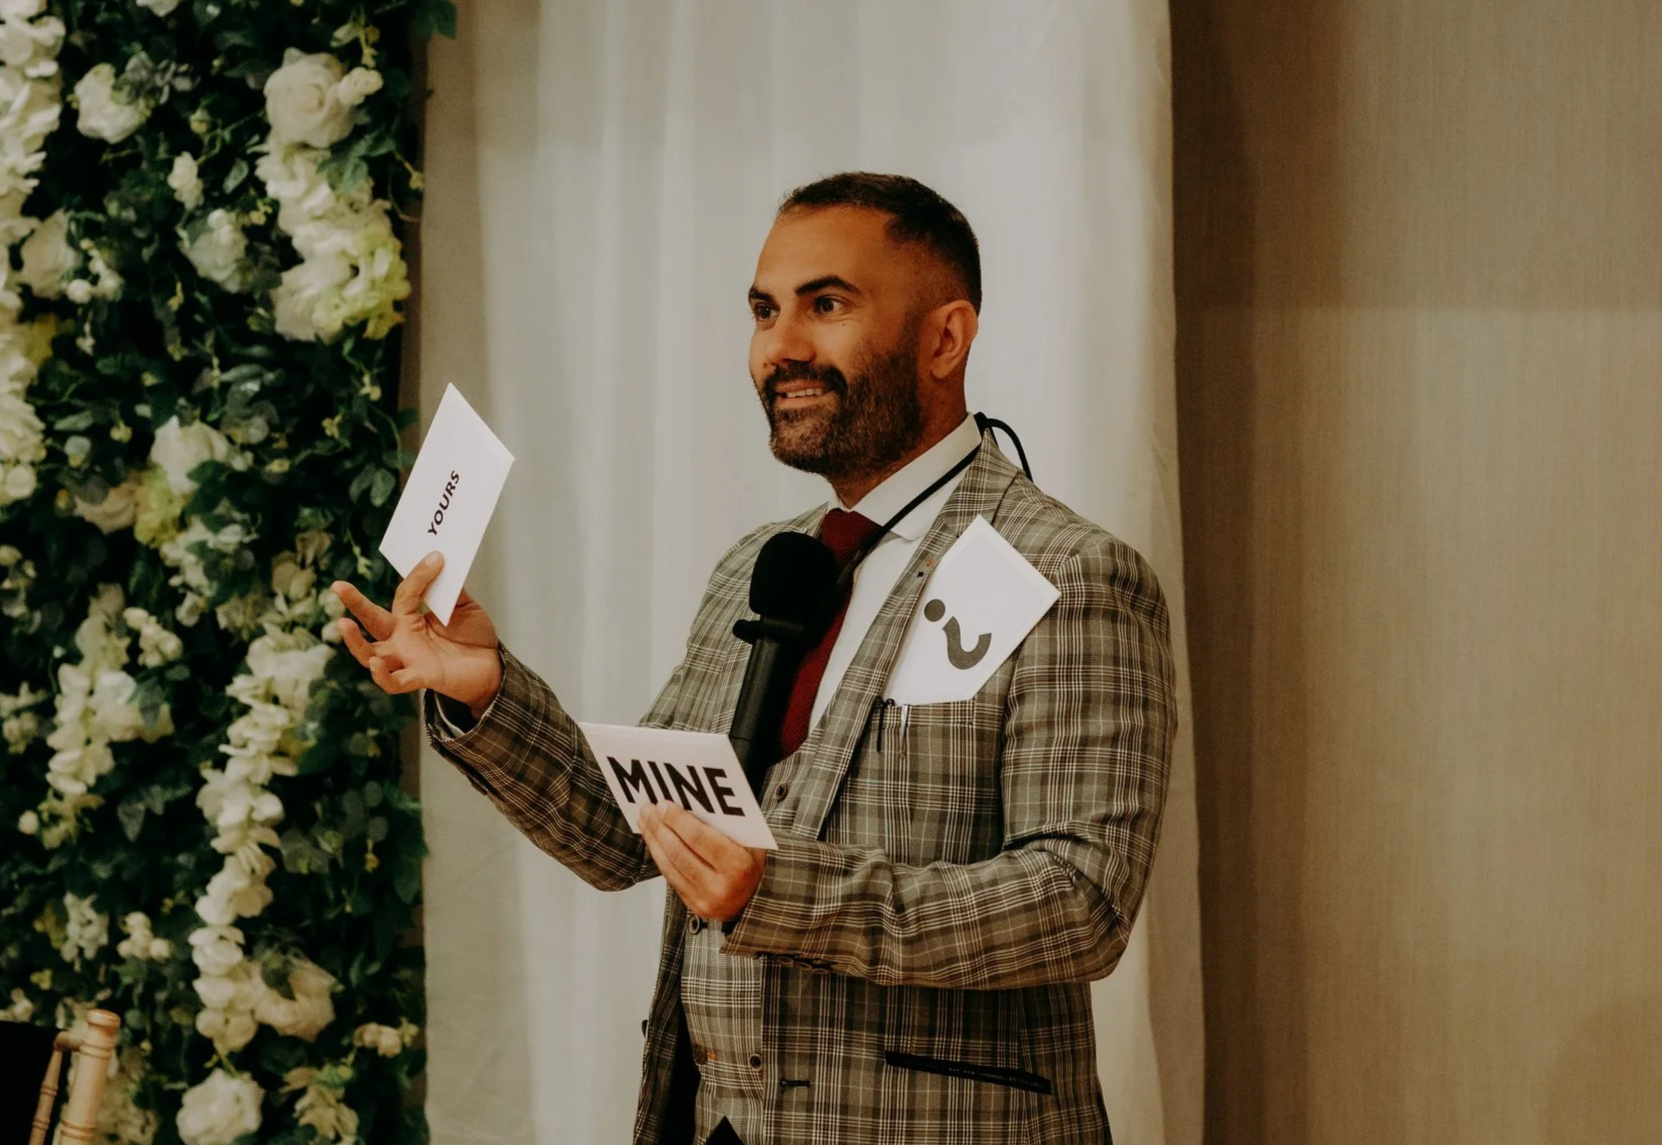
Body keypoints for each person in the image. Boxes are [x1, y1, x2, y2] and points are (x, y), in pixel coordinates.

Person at [332, 173, 1176, 1145]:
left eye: (827, 304)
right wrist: (482, 687)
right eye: (764, 310)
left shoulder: (1070, 572)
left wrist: (782, 894)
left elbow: (1080, 902)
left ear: (945, 338)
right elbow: (630, 829)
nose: (780, 348)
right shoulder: (763, 565)